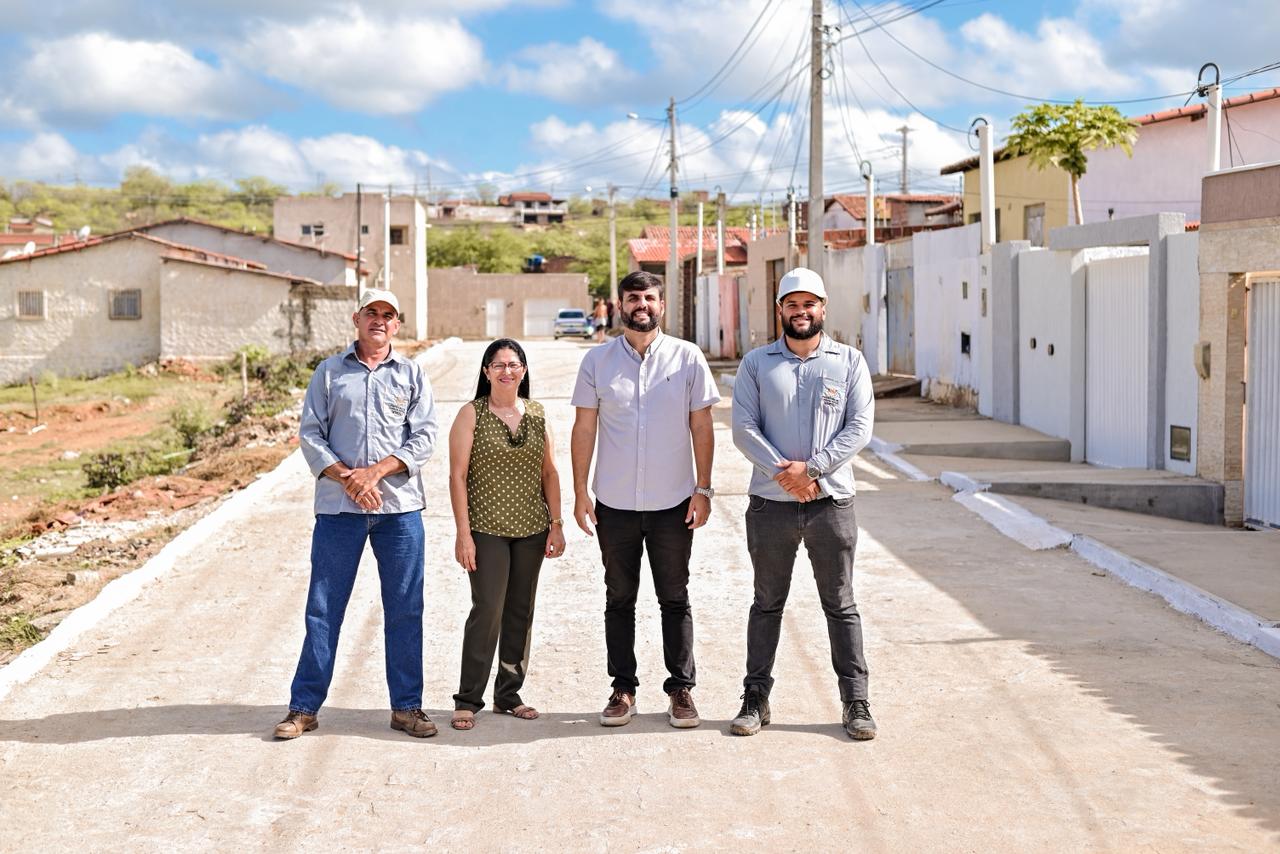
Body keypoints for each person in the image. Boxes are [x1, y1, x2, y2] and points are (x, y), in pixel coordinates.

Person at [275, 288, 439, 740]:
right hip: (339, 510)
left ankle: (407, 708)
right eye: (372, 313)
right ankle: (303, 707)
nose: (380, 321)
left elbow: (423, 438)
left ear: (397, 324)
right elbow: (311, 436)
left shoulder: (411, 374)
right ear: (357, 318)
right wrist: (350, 479)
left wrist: (376, 474)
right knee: (324, 608)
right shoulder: (328, 374)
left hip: (399, 511)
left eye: (389, 314)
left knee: (406, 608)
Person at [729, 267, 878, 740]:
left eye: (809, 303)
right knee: (766, 603)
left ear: (823, 308)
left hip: (830, 504)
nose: (801, 312)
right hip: (771, 505)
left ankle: (856, 703)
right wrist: (785, 474)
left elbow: (860, 427)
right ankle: (755, 699)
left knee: (841, 605)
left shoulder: (849, 362)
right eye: (791, 304)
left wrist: (810, 470)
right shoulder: (755, 364)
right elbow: (743, 429)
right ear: (780, 311)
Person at [570, 270, 720, 729]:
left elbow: (701, 426)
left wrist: (704, 489)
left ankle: (681, 691)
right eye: (633, 297)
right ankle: (623, 688)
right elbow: (585, 428)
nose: (642, 305)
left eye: (649, 298)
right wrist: (580, 492)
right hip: (614, 503)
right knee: (620, 599)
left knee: (675, 598)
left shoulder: (688, 358)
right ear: (619, 304)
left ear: (661, 304)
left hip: (674, 502)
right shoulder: (597, 361)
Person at [447, 338, 565, 731]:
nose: (506, 371)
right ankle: (468, 699)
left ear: (524, 370)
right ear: (486, 372)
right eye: (498, 365)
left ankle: (508, 694)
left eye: (514, 364)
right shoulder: (471, 414)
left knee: (521, 610)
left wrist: (557, 524)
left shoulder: (537, 413)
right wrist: (463, 534)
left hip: (531, 528)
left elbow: (549, 472)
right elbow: (457, 476)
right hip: (487, 529)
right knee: (488, 609)